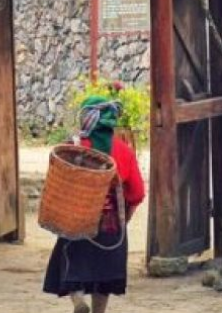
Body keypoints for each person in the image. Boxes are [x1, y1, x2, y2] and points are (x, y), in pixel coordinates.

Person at [43, 95, 146, 313]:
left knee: (73, 264)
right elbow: (137, 192)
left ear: (86, 119)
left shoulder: (72, 148)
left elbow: (56, 184)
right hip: (110, 226)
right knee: (104, 274)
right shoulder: (123, 150)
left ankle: (78, 301)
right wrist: (125, 215)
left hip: (76, 221)